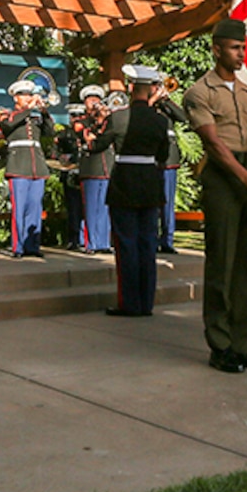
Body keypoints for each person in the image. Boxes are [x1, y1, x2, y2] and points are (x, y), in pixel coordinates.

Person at [185, 19, 247, 373]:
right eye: (235, 48)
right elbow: (214, 145)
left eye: (244, 48)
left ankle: (243, 344)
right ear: (217, 48)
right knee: (222, 261)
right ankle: (220, 346)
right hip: (225, 176)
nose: (241, 54)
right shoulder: (199, 92)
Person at [99, 65, 172, 316]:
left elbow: (100, 144)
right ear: (151, 89)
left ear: (131, 88)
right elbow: (163, 154)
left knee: (126, 244)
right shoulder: (160, 121)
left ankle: (129, 303)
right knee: (147, 244)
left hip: (124, 184)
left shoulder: (118, 118)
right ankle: (146, 303)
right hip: (150, 185)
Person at [0, 80, 50, 257]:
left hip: (36, 165)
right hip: (18, 165)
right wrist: (29, 109)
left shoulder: (35, 116)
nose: (28, 98)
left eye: (29, 94)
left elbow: (49, 132)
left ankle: (32, 246)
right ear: (15, 98)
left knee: (35, 208)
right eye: (24, 95)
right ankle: (17, 247)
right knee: (19, 208)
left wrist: (44, 111)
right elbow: (8, 126)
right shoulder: (7, 114)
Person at [77, 85, 114, 252]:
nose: (94, 103)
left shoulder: (109, 120)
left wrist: (105, 118)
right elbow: (86, 135)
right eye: (90, 99)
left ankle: (104, 243)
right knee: (91, 208)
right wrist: (98, 121)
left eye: (96, 99)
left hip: (107, 167)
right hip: (90, 168)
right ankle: (91, 243)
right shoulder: (81, 121)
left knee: (106, 207)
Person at [154, 80, 188, 253]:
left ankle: (167, 241)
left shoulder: (165, 106)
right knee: (152, 203)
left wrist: (166, 100)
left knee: (167, 203)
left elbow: (183, 117)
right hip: (151, 159)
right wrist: (153, 99)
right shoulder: (146, 105)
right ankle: (152, 240)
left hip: (168, 160)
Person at [54, 104, 87, 250]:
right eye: (73, 117)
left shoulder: (89, 132)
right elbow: (54, 154)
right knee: (73, 209)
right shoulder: (63, 135)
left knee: (87, 209)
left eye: (79, 116)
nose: (76, 120)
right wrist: (62, 158)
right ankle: (73, 240)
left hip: (86, 173)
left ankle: (85, 239)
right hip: (70, 175)